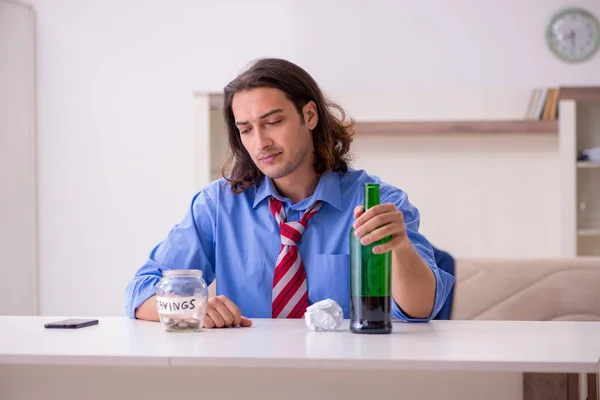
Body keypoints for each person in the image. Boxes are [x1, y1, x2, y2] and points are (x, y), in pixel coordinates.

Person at [125, 58, 455, 328]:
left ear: (309, 115)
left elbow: (420, 310)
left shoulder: (377, 202)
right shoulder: (217, 206)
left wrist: (399, 247)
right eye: (246, 129)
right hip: (245, 377)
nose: (260, 142)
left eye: (273, 122)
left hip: (346, 378)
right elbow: (139, 292)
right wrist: (189, 309)